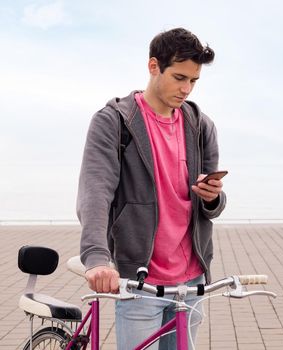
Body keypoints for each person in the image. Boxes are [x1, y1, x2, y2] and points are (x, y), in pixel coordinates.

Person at [76, 27, 226, 349]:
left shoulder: (201, 126)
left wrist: (213, 198)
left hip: (191, 281)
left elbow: (212, 204)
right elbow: (95, 191)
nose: (187, 89)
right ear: (153, 66)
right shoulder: (114, 122)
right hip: (140, 282)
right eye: (179, 77)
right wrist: (97, 257)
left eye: (194, 81)